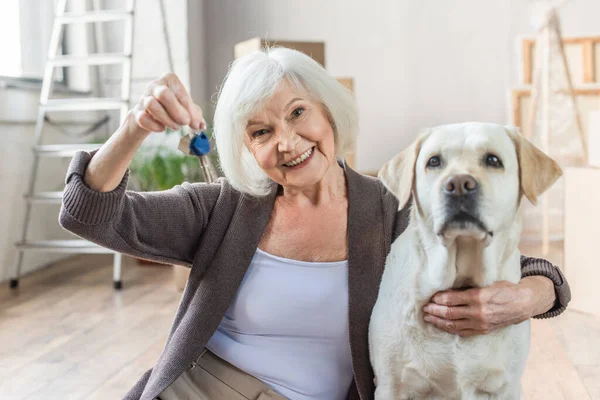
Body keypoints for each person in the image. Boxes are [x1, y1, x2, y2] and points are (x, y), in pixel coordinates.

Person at [59, 47, 570, 400]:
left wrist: (531, 295)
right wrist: (134, 128)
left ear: (329, 113)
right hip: (206, 387)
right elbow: (91, 213)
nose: (286, 140)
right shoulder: (223, 208)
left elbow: (532, 267)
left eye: (298, 112)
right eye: (261, 131)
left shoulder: (390, 208)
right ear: (247, 149)